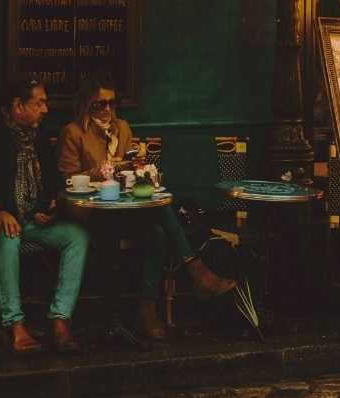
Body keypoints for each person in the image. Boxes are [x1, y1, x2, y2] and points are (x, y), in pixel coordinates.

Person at [58, 73, 234, 340]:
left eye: (111, 104)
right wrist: (99, 172)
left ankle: (146, 309)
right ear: (85, 105)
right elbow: (68, 180)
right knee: (159, 218)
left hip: (124, 209)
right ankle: (196, 271)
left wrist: (138, 167)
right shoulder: (73, 133)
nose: (107, 110)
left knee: (158, 232)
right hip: (92, 212)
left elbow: (130, 164)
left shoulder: (123, 128)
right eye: (99, 104)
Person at [0, 78, 87, 354]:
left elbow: (50, 183)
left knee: (77, 236)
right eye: (39, 103)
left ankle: (61, 319)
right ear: (17, 106)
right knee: (9, 236)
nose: (45, 109)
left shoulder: (38, 135)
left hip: (31, 221)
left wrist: (48, 208)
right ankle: (15, 325)